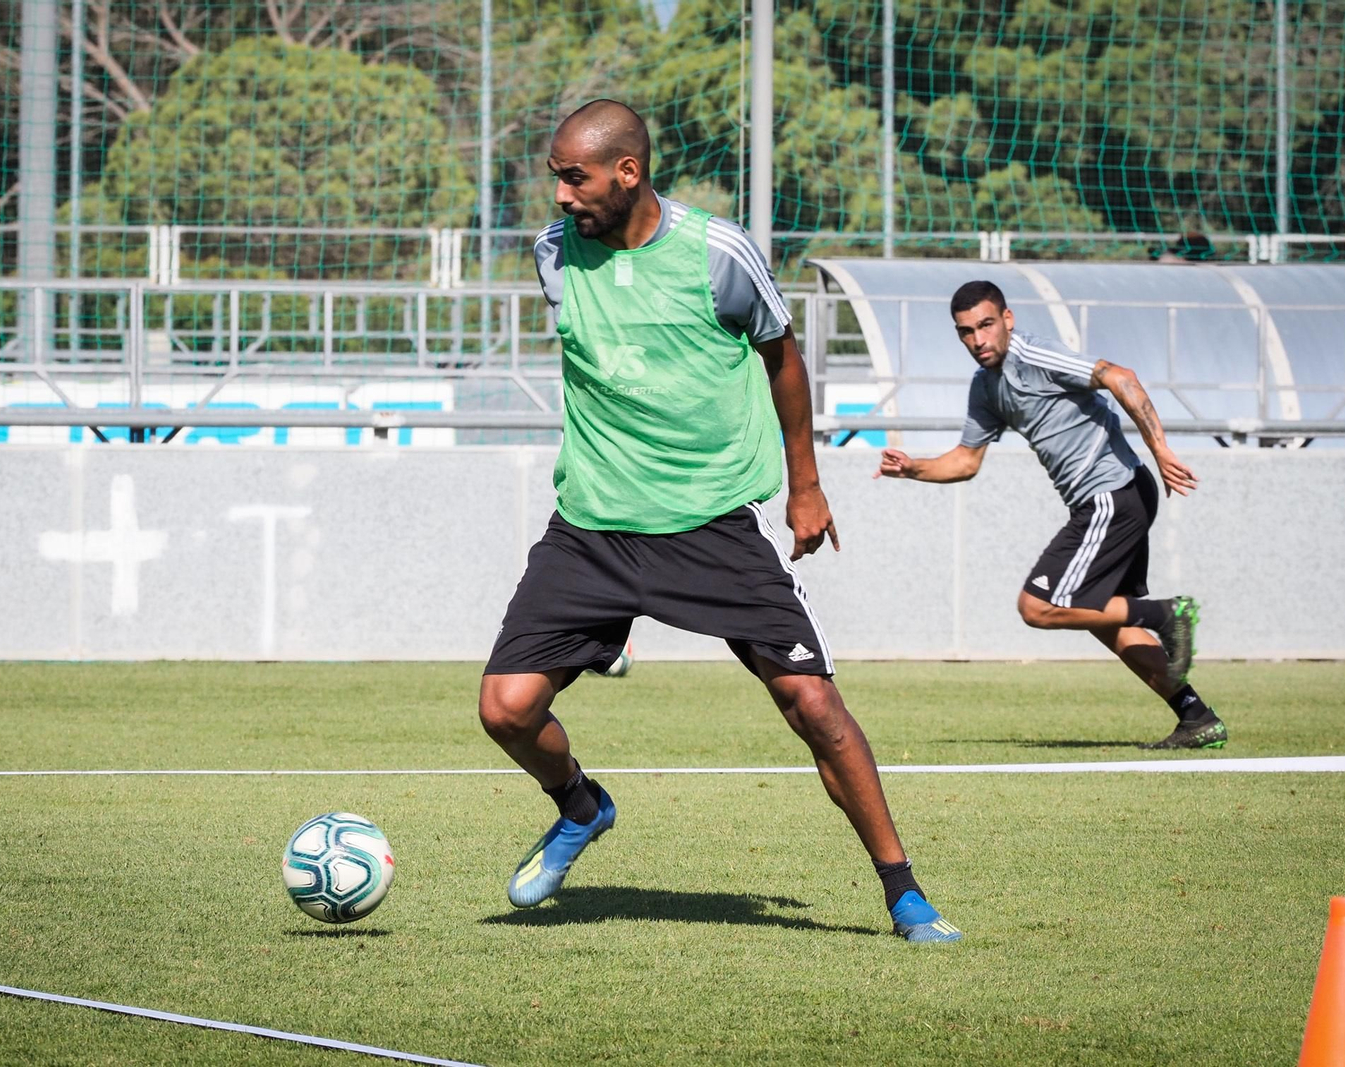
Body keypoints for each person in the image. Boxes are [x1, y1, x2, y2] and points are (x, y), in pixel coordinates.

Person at [478, 100, 962, 943]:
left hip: (710, 521)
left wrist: (806, 485)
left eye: (575, 178)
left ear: (629, 171)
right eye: (556, 178)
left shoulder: (719, 253)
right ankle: (581, 806)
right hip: (593, 524)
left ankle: (904, 891)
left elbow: (782, 357)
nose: (560, 196)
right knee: (506, 709)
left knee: (813, 703)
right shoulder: (554, 253)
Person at [875, 280, 1224, 750]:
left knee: (1038, 606)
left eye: (986, 325)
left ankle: (1168, 614)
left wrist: (1159, 449)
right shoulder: (986, 387)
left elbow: (1121, 376)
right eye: (966, 332)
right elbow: (965, 461)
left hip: (1112, 494)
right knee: (1106, 621)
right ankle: (1197, 717)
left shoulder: (1035, 356)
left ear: (1008, 320)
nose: (978, 340)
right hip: (1110, 500)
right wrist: (913, 468)